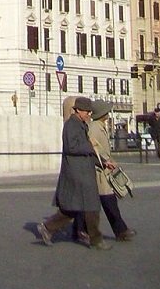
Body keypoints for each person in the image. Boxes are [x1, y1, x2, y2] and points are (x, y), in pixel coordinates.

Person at [36, 95, 110, 250]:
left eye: (90, 112)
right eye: (87, 112)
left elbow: (88, 152)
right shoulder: (71, 125)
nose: (89, 114)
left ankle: (48, 227)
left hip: (83, 171)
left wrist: (103, 162)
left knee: (73, 208)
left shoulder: (81, 125)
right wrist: (90, 147)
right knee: (90, 206)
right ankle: (96, 240)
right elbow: (72, 147)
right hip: (77, 173)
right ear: (78, 111)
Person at [89, 100, 135, 241]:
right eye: (106, 111)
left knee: (100, 203)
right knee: (109, 202)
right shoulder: (94, 128)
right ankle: (121, 231)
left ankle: (79, 229)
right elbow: (93, 149)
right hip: (100, 171)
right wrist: (104, 162)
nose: (108, 113)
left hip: (105, 169)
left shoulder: (99, 126)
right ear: (102, 113)